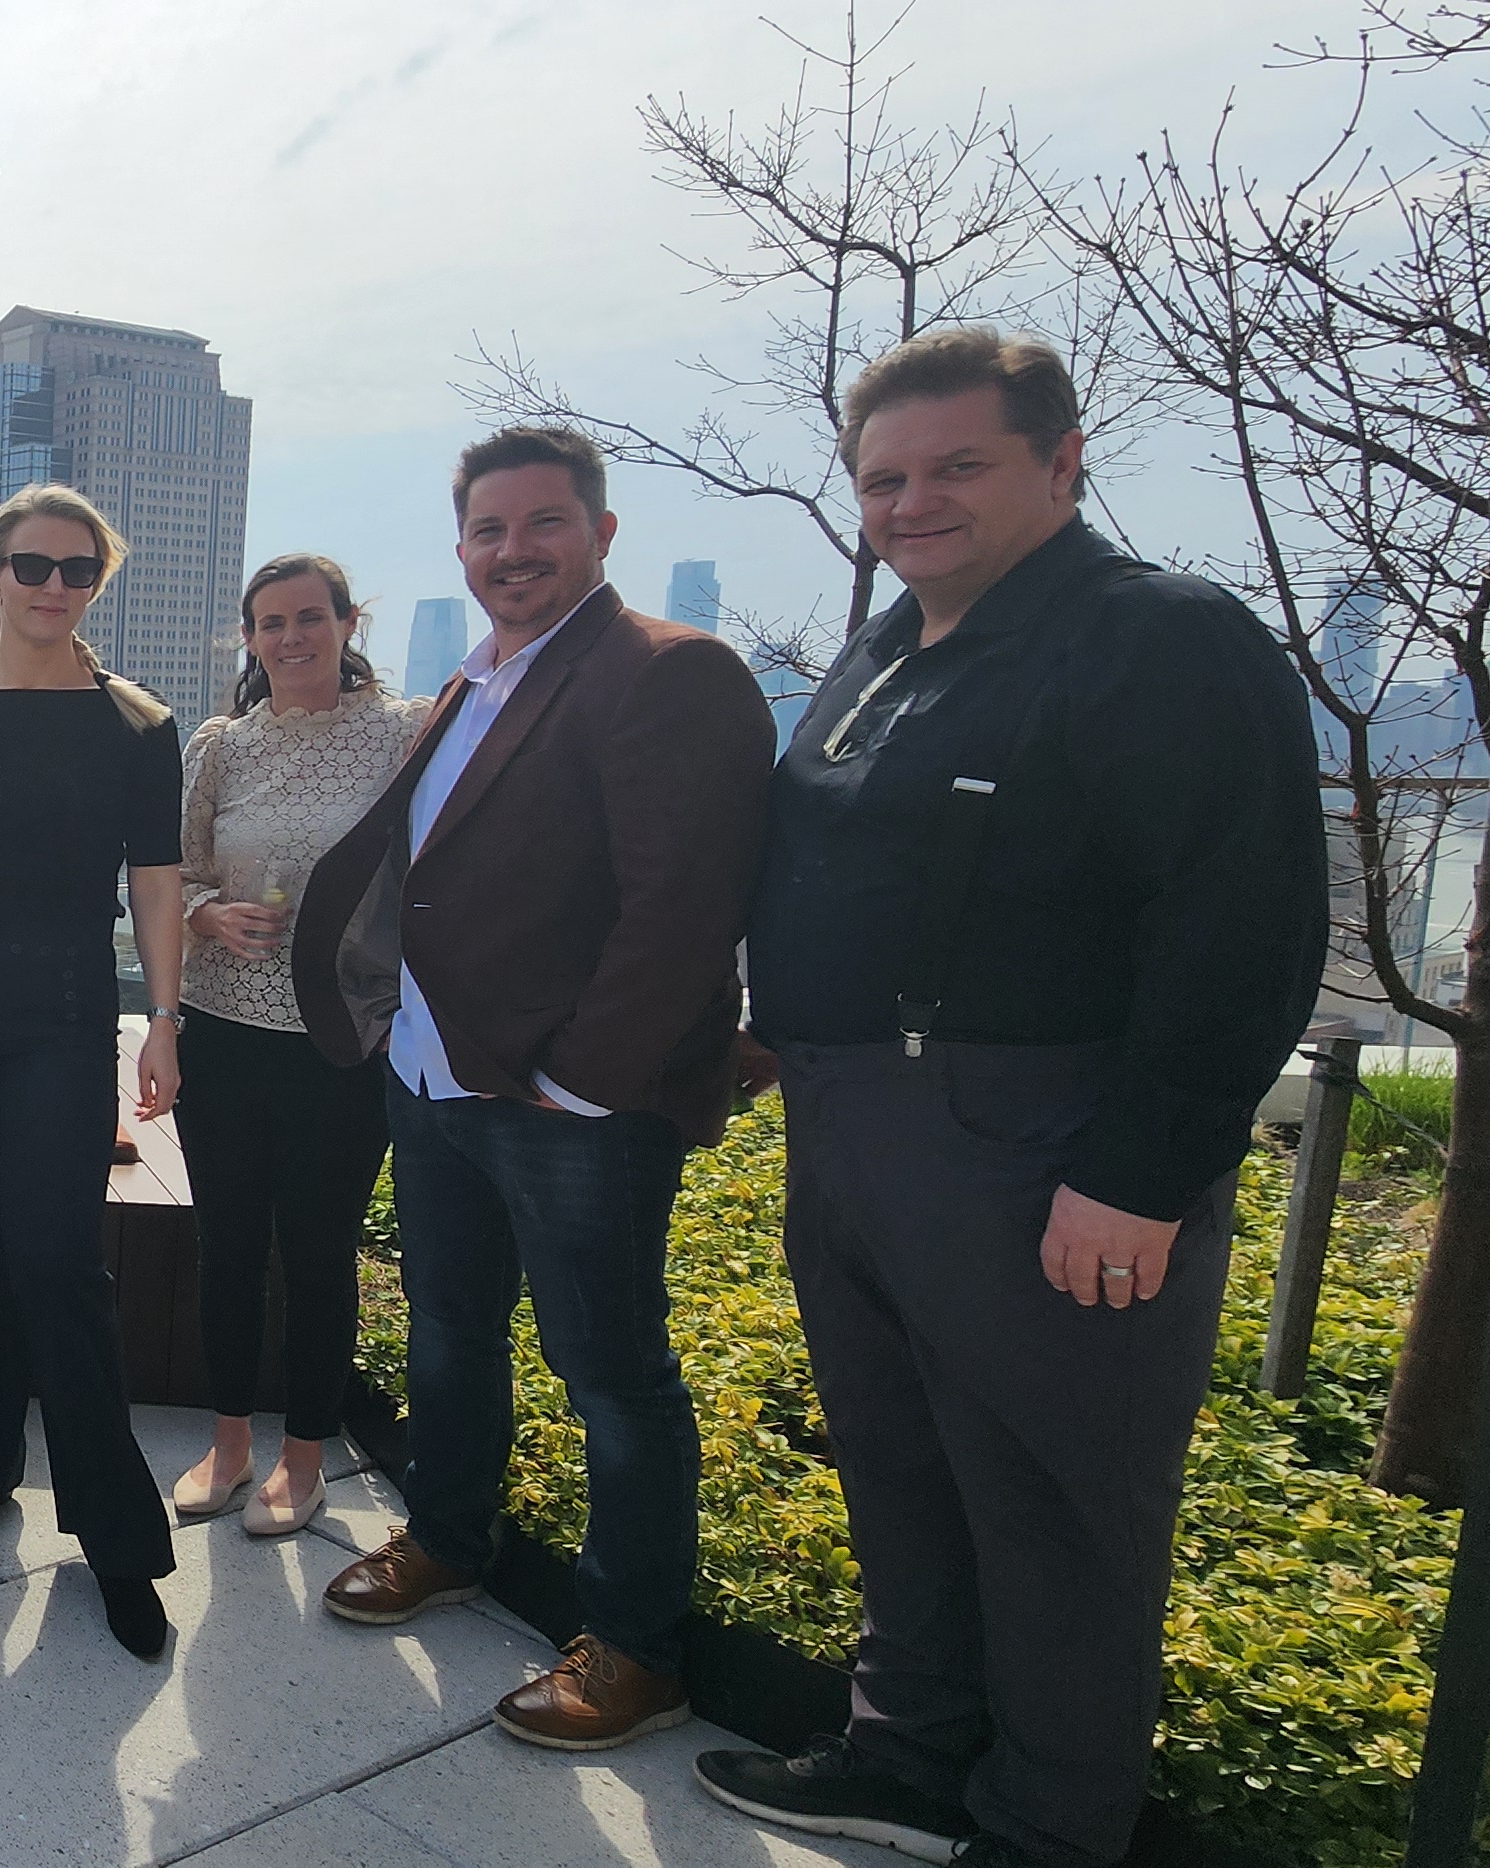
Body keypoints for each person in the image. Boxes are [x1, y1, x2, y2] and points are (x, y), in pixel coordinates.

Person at [699, 331, 1325, 1868]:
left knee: (1056, 1505)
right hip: (854, 1128)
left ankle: (1052, 1828)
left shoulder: (1158, 639)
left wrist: (1143, 1173)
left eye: (956, 466)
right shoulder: (887, 651)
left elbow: (1242, 925)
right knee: (900, 1467)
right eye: (884, 478)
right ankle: (908, 1760)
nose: (911, 502)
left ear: (1061, 462)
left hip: (1038, 1141)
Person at [292, 426, 772, 1745]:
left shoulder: (666, 671)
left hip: (569, 1106)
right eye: (488, 530)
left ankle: (636, 1647)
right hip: (434, 1076)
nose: (513, 551)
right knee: (449, 1328)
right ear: (461, 548)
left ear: (601, 533)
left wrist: (584, 1079)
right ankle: (450, 1537)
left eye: (542, 523)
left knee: (612, 1373)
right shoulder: (477, 678)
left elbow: (684, 907)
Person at [0, 485, 186, 1662]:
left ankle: (118, 1538)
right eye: (32, 564)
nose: (53, 585)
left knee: (58, 1267)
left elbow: (154, 882)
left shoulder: (137, 725)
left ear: (98, 580)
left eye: (76, 568)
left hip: (63, 1022)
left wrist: (163, 1020)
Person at [166, 553, 427, 1540]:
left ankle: (306, 1455)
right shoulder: (221, 745)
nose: (291, 637)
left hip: (342, 1038)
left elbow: (431, 874)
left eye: (310, 617)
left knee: (318, 1252)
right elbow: (172, 871)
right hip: (223, 1031)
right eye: (270, 622)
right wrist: (205, 915)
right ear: (248, 637)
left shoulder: (403, 733)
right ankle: (229, 1440)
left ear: (349, 623)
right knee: (227, 1245)